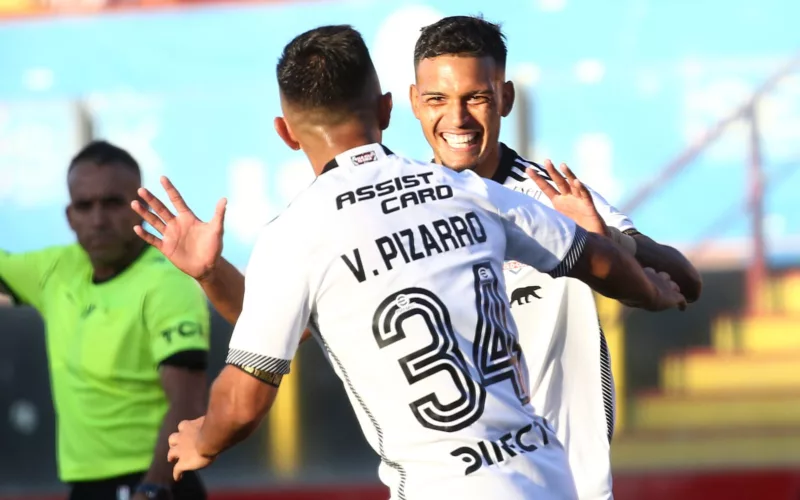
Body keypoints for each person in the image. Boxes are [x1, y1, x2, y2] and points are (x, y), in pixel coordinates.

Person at [150, 25, 685, 500]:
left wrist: (204, 437)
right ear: (389, 108)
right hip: (548, 475)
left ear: (285, 132)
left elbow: (244, 400)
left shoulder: (295, 234)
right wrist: (649, 292)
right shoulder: (467, 191)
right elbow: (595, 258)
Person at [409, 15, 702, 500]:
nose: (457, 118)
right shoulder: (402, 210)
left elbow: (686, 281)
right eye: (438, 99)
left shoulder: (552, 195)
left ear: (505, 98)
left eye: (475, 98)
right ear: (416, 102)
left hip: (566, 484)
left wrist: (608, 241)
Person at [0, 141, 210, 500]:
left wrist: (155, 485)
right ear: (70, 216)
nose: (98, 219)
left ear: (141, 209)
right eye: (85, 205)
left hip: (151, 481)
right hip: (85, 485)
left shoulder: (167, 283)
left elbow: (188, 404)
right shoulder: (56, 268)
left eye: (113, 203)